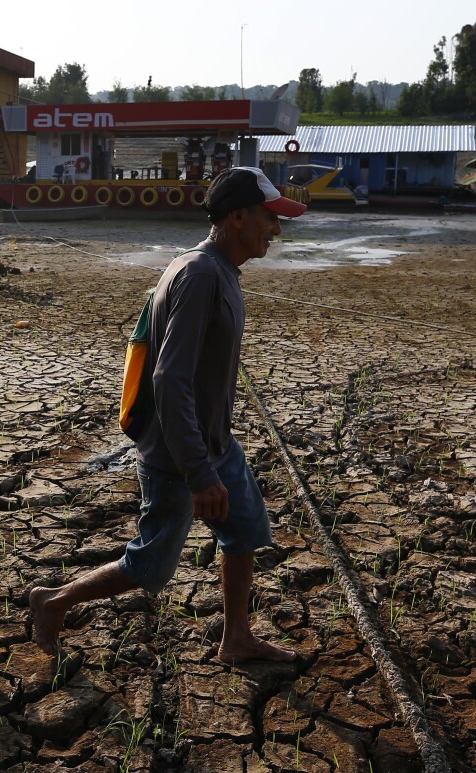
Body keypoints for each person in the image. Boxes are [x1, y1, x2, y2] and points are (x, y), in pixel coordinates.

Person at [30, 167, 306, 663]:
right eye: (270, 217)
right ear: (237, 215)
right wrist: (199, 474)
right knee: (150, 563)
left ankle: (236, 638)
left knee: (244, 531)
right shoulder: (199, 275)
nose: (277, 230)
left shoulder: (219, 270)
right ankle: (53, 601)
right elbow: (169, 379)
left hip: (215, 444)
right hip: (179, 457)